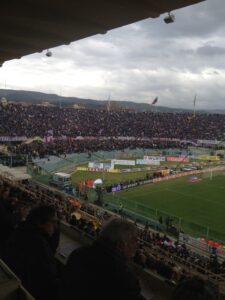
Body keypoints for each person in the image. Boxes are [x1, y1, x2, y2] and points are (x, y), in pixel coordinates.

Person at [61, 217, 144, 300]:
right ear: (120, 245)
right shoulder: (127, 279)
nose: (136, 246)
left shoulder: (77, 254)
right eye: (133, 241)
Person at [4, 205, 60, 300]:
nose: (56, 226)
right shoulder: (39, 245)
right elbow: (50, 281)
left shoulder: (20, 231)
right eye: (53, 222)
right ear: (40, 223)